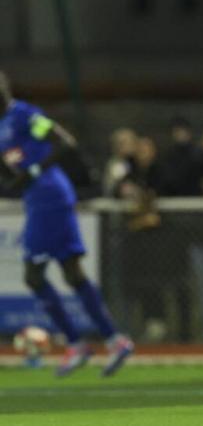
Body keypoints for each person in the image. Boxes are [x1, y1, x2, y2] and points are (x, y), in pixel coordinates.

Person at [0, 71, 134, 377]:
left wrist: (32, 172)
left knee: (34, 276)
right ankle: (114, 340)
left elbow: (64, 143)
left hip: (50, 194)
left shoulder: (25, 115)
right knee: (72, 274)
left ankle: (77, 344)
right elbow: (8, 174)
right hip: (38, 199)